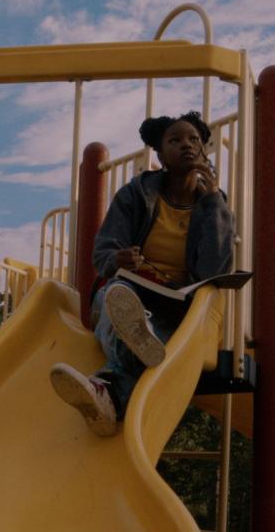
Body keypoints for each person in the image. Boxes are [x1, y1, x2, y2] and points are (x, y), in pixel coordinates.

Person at [49, 111, 236, 436]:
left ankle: (107, 394)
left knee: (158, 332)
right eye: (175, 140)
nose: (186, 145)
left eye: (193, 139)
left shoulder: (213, 205)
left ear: (204, 152)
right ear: (160, 155)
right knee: (118, 299)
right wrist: (119, 259)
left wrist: (213, 204)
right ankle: (138, 337)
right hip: (129, 289)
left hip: (177, 304)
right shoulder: (136, 194)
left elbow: (214, 269)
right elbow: (103, 251)